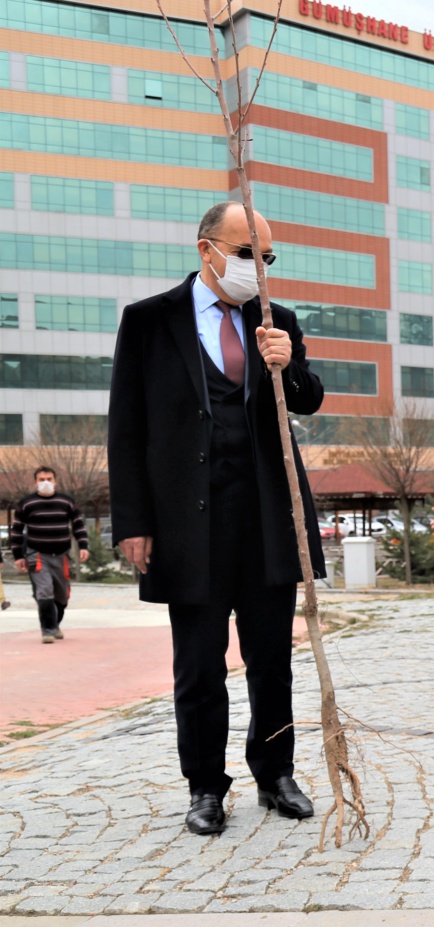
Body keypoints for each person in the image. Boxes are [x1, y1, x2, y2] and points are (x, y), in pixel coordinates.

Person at [107, 201, 323, 837]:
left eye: (269, 257)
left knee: (271, 661)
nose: (260, 268)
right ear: (207, 250)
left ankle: (275, 772)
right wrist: (133, 523)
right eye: (247, 254)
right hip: (187, 526)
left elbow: (307, 400)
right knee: (199, 666)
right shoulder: (149, 321)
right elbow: (126, 429)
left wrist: (290, 363)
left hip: (265, 519)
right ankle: (204, 786)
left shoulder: (276, 320)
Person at [8, 465, 90, 643]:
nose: (45, 483)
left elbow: (78, 525)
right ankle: (48, 630)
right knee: (44, 592)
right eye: (41, 480)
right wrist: (18, 556)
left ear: (55, 481)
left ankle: (55, 623)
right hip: (37, 554)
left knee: (62, 596)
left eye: (49, 479)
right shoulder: (26, 503)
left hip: (62, 555)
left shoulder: (67, 501)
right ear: (35, 482)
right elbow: (16, 531)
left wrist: (83, 545)